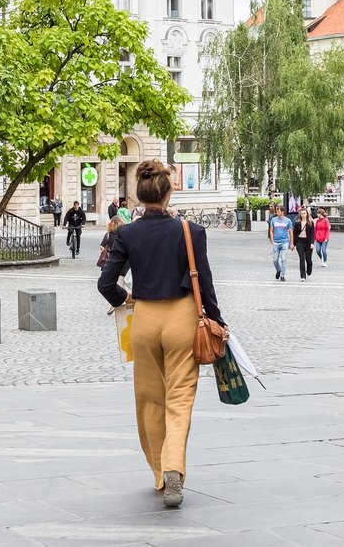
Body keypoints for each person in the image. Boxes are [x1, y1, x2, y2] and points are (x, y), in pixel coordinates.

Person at [97, 159, 225, 509]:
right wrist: (217, 321)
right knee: (179, 399)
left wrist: (127, 298)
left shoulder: (126, 233)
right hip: (182, 318)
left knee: (150, 400)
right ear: (168, 193)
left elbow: (106, 283)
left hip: (145, 319)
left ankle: (158, 472)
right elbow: (206, 285)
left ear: (139, 196)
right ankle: (174, 469)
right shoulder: (192, 232)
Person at [268, 205, 293, 281]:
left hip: (285, 242)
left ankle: (282, 275)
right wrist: (272, 240)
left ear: (282, 212)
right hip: (276, 242)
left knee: (283, 259)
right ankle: (278, 270)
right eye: (276, 211)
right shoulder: (274, 220)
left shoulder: (288, 221)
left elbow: (291, 232)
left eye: (278, 211)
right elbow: (271, 230)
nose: (277, 212)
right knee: (275, 259)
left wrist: (291, 243)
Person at [292, 207, 315, 281]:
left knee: (308, 259)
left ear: (307, 214)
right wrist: (293, 244)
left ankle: (309, 272)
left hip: (308, 242)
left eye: (304, 213)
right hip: (300, 242)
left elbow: (312, 234)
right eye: (301, 214)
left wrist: (312, 243)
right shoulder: (297, 223)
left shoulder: (310, 223)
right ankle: (302, 276)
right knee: (302, 259)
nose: (303, 215)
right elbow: (294, 234)